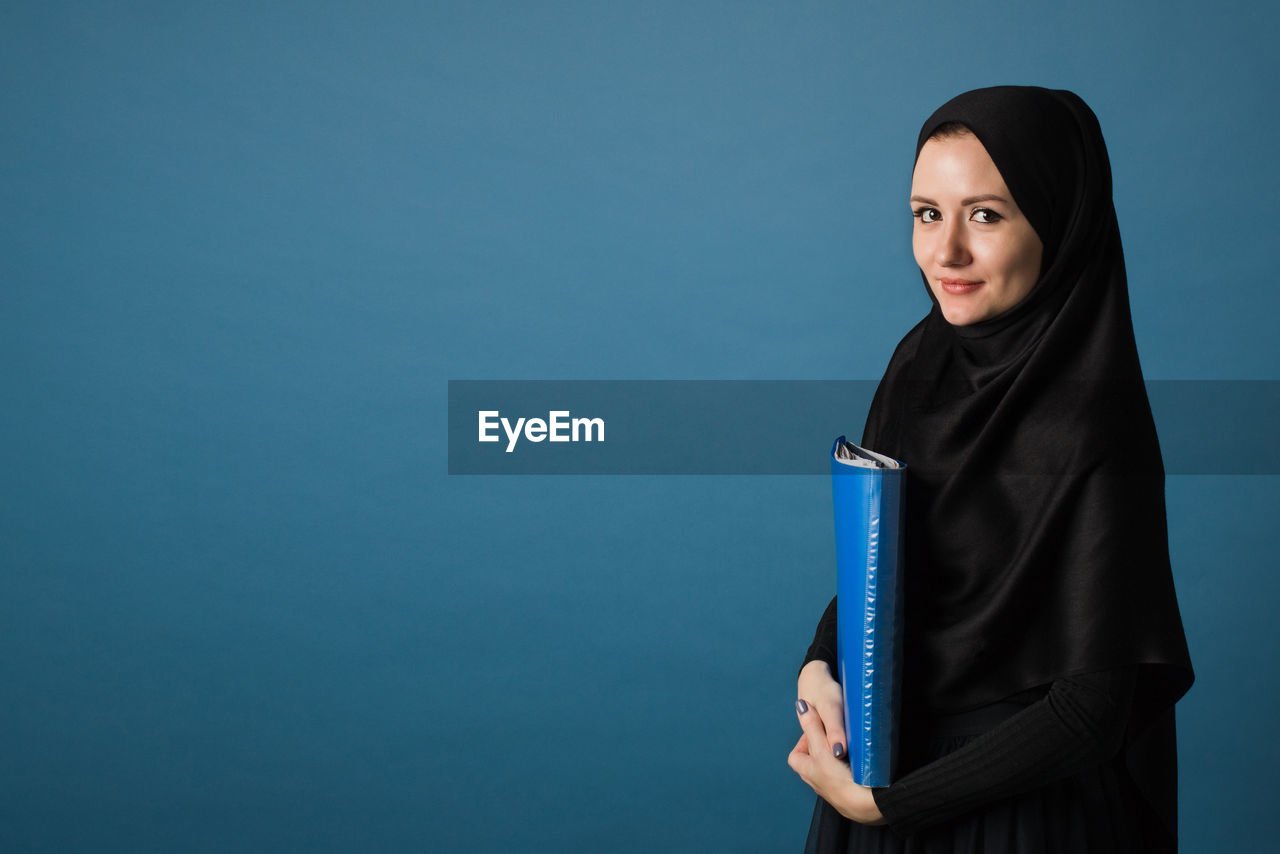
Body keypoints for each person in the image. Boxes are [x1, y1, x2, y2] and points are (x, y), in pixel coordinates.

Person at [786, 86, 1194, 853]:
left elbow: (1090, 711)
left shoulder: (1094, 422)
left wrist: (895, 806)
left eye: (986, 215)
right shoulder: (918, 365)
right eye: (927, 214)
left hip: (1019, 816)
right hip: (881, 783)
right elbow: (884, 568)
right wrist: (817, 668)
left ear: (1058, 223)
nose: (947, 254)